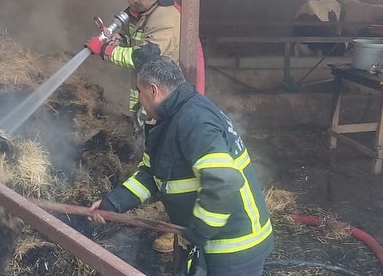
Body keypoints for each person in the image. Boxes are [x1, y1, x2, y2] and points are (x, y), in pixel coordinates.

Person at [88, 56, 273, 275]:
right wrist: (113, 203)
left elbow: (224, 181)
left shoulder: (194, 121)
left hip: (234, 247)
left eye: (139, 91)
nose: (139, 98)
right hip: (210, 245)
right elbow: (150, 174)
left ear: (153, 90)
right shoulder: (171, 119)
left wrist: (200, 229)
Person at [85, 0, 205, 128]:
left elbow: (144, 57)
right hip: (147, 92)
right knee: (143, 137)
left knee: (157, 137)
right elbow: (137, 38)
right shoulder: (143, 12)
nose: (134, 0)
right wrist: (121, 39)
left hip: (164, 96)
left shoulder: (166, 18)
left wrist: (105, 50)